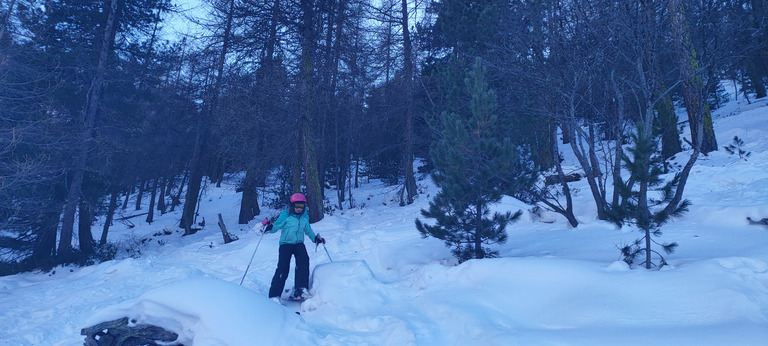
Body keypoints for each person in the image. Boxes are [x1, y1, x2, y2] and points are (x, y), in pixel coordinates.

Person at [265, 193, 325, 300]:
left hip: (298, 243)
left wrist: (315, 238)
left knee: (304, 261)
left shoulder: (304, 216)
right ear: (292, 205)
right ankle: (274, 294)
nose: (299, 208)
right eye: (297, 206)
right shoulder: (286, 215)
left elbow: (308, 230)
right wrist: (270, 228)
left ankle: (300, 289)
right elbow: (276, 226)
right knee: (283, 268)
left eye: (301, 206)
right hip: (286, 244)